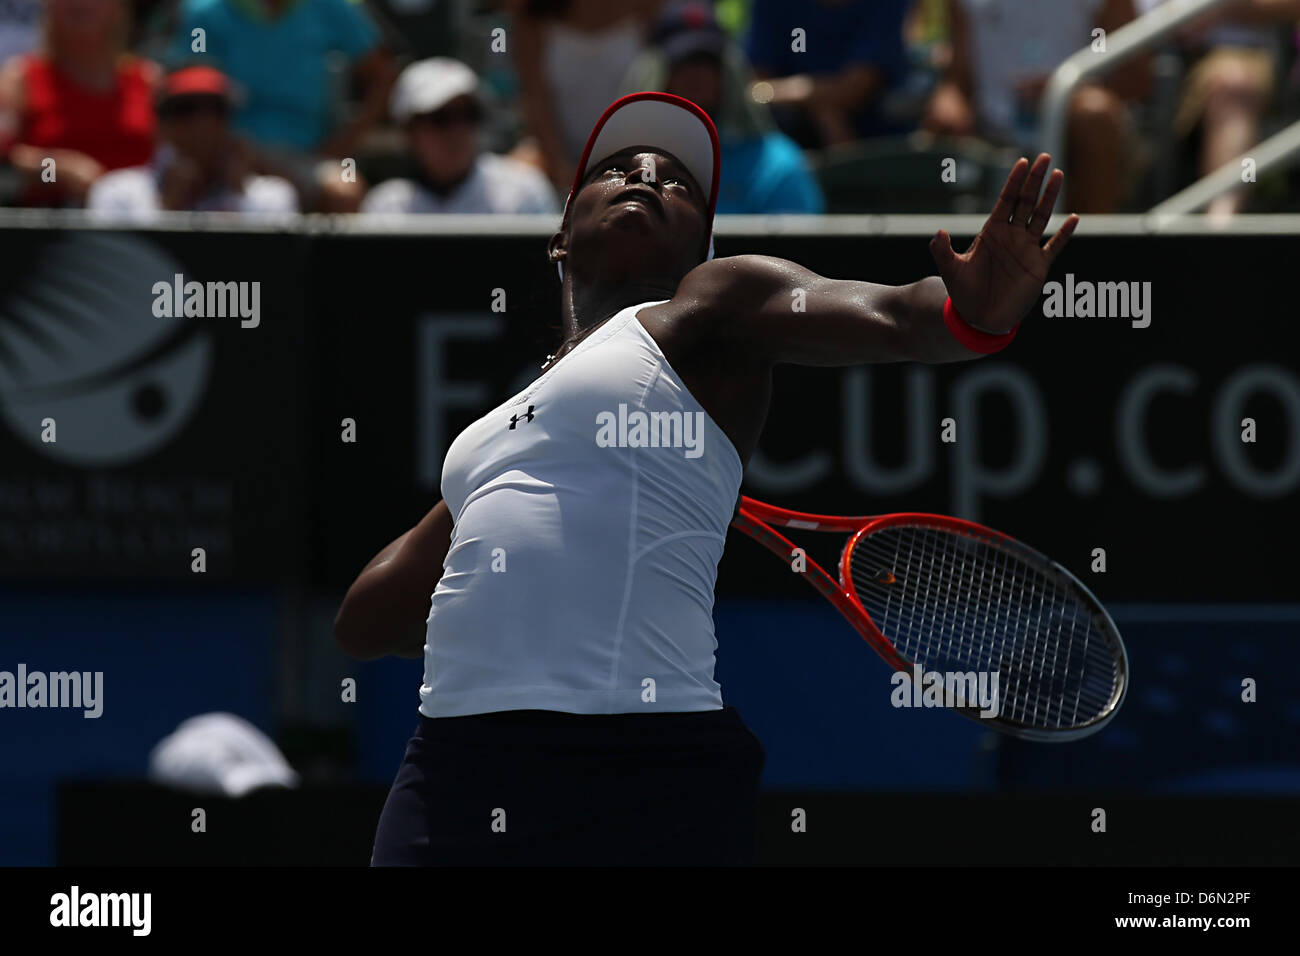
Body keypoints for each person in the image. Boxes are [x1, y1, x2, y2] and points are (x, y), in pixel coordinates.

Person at [335, 91, 1077, 866]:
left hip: (645, 769)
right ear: (561, 234)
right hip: (455, 769)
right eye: (619, 168)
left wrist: (971, 315)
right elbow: (363, 625)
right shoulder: (488, 438)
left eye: (678, 184)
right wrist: (482, 535)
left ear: (702, 252)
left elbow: (897, 316)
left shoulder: (713, 305)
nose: (647, 176)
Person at [164, 0, 396, 211]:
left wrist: (341, 146)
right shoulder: (204, 15)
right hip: (222, 154)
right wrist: (217, 152)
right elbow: (187, 79)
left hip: (308, 157)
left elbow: (384, 74)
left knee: (346, 189)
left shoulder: (331, 7)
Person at [922, 0, 1151, 213]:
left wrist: (1064, 94)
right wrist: (950, 101)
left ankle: (1085, 249)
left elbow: (1135, 77)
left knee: (1094, 117)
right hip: (988, 134)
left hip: (1076, 136)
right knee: (941, 132)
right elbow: (957, 77)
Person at [621, 0, 825, 214]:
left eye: (708, 64)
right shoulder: (626, 165)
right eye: (682, 64)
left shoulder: (776, 168)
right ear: (655, 76)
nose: (696, 76)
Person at [0, 0, 158, 207]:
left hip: (144, 224)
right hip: (50, 227)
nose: (79, 3)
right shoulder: (20, 79)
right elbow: (4, 159)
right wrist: (55, 170)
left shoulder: (150, 82)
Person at [87, 65, 297, 219]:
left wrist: (236, 198)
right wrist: (168, 206)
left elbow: (268, 270)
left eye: (216, 110)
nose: (202, 124)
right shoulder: (118, 193)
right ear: (159, 125)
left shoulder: (271, 196)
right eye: (184, 109)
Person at [360, 58, 558, 215]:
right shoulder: (385, 208)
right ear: (409, 132)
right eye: (441, 117)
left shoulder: (523, 192)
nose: (457, 130)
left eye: (468, 114)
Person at [744, 0, 913, 149]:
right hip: (789, 145)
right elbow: (755, 90)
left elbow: (853, 91)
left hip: (881, 146)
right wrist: (820, 108)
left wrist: (806, 95)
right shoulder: (773, 4)